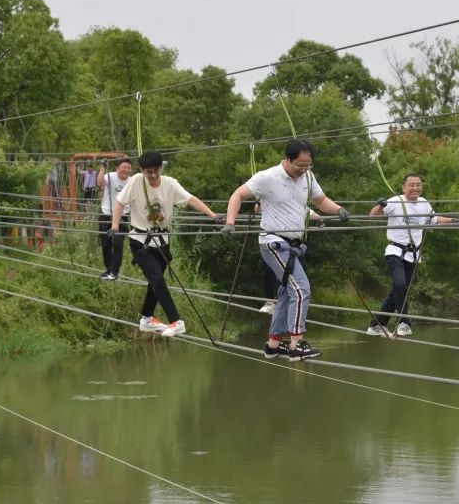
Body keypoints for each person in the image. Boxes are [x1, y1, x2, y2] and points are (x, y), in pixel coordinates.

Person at [223, 139, 349, 361]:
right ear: (287, 159)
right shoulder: (267, 177)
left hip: (293, 246)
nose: (303, 170)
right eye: (299, 165)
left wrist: (339, 210)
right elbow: (238, 195)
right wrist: (230, 222)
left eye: (307, 165)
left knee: (286, 294)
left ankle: (273, 345)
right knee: (301, 289)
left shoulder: (308, 178)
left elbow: (320, 201)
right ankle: (296, 344)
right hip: (273, 243)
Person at [111, 150, 222, 338]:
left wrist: (213, 215)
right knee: (157, 280)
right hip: (140, 241)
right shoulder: (136, 180)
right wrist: (115, 227)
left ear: (160, 168)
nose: (153, 176)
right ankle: (176, 321)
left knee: (155, 283)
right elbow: (120, 203)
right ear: (142, 170)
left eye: (156, 171)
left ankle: (146, 318)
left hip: (163, 243)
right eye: (149, 172)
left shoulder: (170, 184)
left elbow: (190, 199)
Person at [366, 173, 456, 337]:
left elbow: (433, 219)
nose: (415, 188)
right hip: (395, 252)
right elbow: (372, 215)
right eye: (412, 185)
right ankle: (404, 322)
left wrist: (452, 221)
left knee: (398, 292)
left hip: (413, 256)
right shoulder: (395, 201)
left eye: (418, 185)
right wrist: (380, 205)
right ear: (404, 187)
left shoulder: (424, 204)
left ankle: (377, 325)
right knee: (401, 286)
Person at [97, 158, 133, 280]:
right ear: (117, 168)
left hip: (123, 216)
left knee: (118, 244)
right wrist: (102, 167)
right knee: (106, 244)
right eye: (124, 167)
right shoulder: (110, 176)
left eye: (129, 168)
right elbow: (100, 183)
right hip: (106, 213)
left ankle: (114, 272)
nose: (126, 170)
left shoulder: (132, 181)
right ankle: (108, 269)